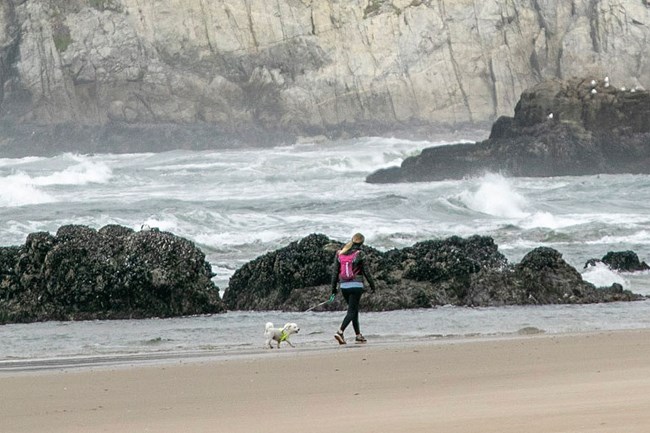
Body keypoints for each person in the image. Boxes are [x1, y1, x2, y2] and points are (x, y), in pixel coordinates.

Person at [331, 233, 376, 344]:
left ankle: (358, 335)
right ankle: (340, 331)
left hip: (344, 286)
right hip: (356, 286)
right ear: (362, 243)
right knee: (351, 311)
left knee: (353, 310)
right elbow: (367, 272)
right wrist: (372, 285)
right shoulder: (360, 254)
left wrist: (333, 289)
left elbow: (335, 273)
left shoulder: (339, 253)